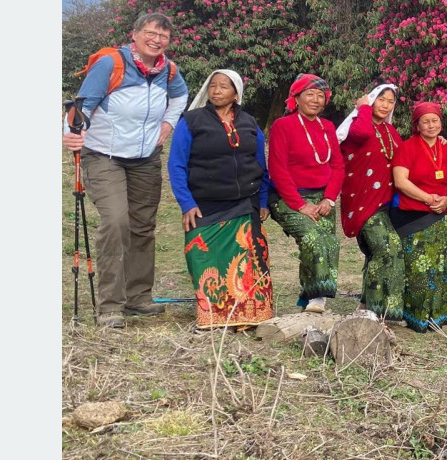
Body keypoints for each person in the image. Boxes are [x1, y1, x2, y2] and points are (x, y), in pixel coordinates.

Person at [63, 12, 189, 328]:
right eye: (150, 32)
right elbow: (83, 106)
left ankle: (138, 299)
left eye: (164, 36)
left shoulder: (169, 71)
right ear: (134, 34)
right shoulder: (111, 64)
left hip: (145, 158)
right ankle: (110, 306)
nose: (157, 40)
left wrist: (168, 124)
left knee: (143, 226)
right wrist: (72, 133)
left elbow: (180, 98)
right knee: (116, 220)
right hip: (104, 156)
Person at [167, 69, 273, 329]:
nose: (216, 91)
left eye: (223, 87)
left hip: (244, 204)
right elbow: (176, 165)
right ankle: (214, 317)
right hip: (205, 205)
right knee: (203, 259)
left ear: (236, 93)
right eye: (213, 86)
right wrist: (187, 203)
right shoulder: (191, 122)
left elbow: (261, 165)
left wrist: (262, 201)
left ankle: (248, 316)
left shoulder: (250, 123)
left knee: (249, 264)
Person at [266, 74, 345, 313]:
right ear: (296, 98)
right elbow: (277, 169)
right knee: (314, 239)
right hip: (289, 198)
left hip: (322, 199)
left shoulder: (328, 127)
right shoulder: (283, 125)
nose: (316, 99)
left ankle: (308, 299)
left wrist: (329, 198)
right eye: (309, 94)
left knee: (330, 243)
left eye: (321, 95)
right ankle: (316, 298)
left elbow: (338, 166)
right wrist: (300, 205)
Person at [391, 102, 447, 332]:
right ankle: (417, 316)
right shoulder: (407, 147)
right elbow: (401, 181)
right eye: (425, 121)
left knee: (443, 268)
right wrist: (429, 199)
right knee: (418, 269)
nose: (431, 125)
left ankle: (441, 315)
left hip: (441, 216)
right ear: (417, 125)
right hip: (413, 216)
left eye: (435, 120)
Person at [337, 83, 405, 320]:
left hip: (386, 202)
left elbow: (405, 155)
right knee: (388, 247)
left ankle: (367, 305)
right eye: (381, 100)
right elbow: (361, 134)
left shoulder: (390, 130)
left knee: (376, 252)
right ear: (372, 100)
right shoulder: (358, 124)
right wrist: (363, 108)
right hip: (361, 200)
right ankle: (378, 308)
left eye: (390, 102)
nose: (385, 106)